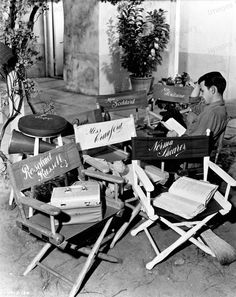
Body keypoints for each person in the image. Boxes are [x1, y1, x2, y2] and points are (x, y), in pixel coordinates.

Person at [167, 71, 228, 144]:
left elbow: (192, 143)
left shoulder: (210, 113)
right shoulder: (218, 108)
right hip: (196, 145)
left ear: (212, 90)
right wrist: (198, 85)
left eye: (202, 91)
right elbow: (193, 105)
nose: (201, 94)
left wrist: (174, 137)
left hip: (189, 149)